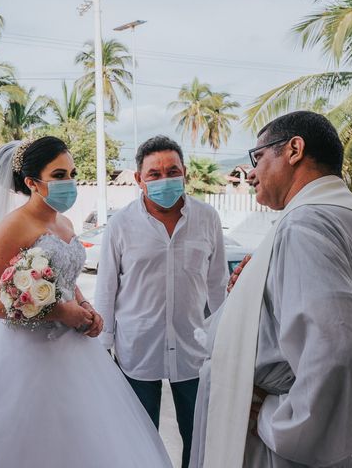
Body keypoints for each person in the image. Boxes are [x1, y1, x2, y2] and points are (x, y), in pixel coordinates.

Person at [0, 137, 172, 467]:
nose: (70, 183)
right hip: (27, 355)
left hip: (75, 352)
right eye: (60, 175)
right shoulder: (12, 227)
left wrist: (85, 307)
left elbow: (66, 280)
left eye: (72, 173)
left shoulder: (64, 223)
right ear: (32, 182)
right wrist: (57, 310)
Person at [190, 111, 352, 468]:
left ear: (294, 149)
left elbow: (334, 346)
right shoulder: (338, 213)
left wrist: (280, 420)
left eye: (258, 157)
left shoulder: (306, 223)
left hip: (277, 442)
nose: (250, 173)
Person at [95, 135, 228, 468]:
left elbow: (217, 284)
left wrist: (223, 338)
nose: (164, 179)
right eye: (154, 174)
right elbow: (106, 288)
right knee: (139, 440)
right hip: (136, 350)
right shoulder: (120, 225)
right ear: (139, 180)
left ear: (185, 173)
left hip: (194, 349)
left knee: (199, 437)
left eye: (173, 170)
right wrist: (103, 347)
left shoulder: (208, 218)